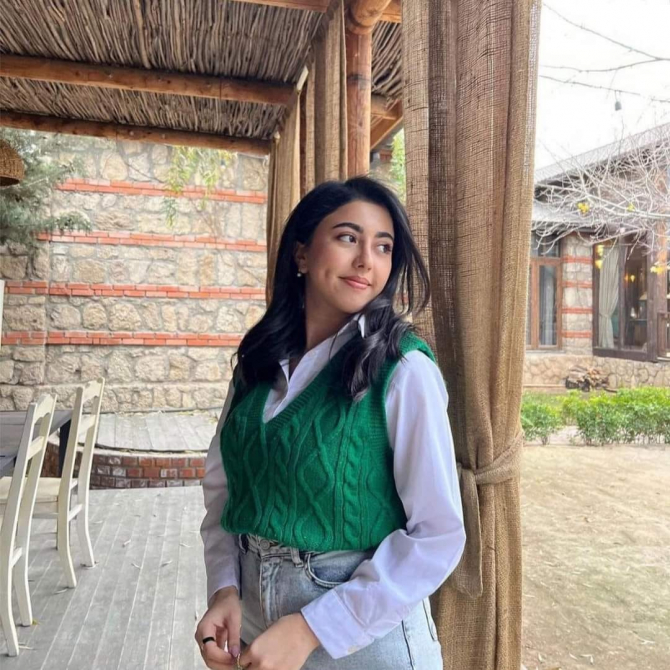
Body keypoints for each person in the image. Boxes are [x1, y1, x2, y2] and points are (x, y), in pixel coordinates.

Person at [196, 176, 465, 670]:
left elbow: (437, 535)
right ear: (301, 253)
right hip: (252, 620)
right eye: (347, 237)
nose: (366, 260)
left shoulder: (403, 370)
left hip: (363, 636)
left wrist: (311, 628)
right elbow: (224, 489)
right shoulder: (258, 362)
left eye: (383, 247)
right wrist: (224, 588)